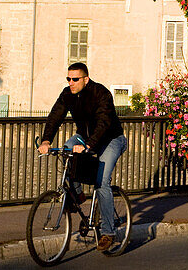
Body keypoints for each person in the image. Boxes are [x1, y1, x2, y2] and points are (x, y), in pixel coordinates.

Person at [39, 62, 127, 251]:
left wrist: (89, 145)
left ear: (85, 79)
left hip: (110, 139)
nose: (71, 82)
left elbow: (104, 122)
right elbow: (56, 116)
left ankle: (108, 233)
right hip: (85, 138)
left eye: (75, 79)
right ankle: (76, 194)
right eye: (68, 79)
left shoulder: (100, 93)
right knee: (67, 148)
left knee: (101, 182)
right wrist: (46, 141)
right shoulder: (67, 94)